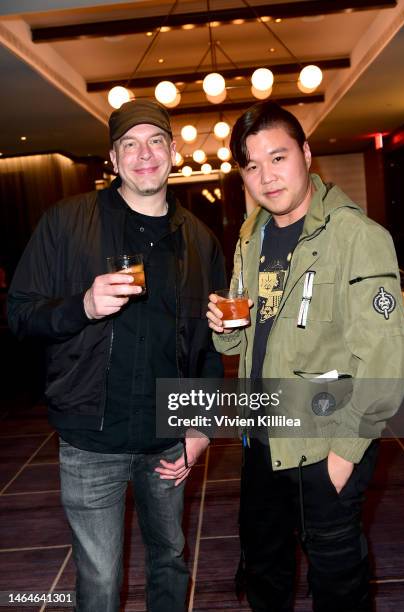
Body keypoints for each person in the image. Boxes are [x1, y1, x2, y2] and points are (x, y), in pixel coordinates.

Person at [8, 99, 226, 612]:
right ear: (113, 158)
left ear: (173, 151)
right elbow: (20, 312)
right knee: (101, 580)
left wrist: (200, 426)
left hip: (167, 438)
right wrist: (82, 305)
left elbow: (210, 345)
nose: (143, 154)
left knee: (170, 560)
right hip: (90, 440)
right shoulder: (65, 223)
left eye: (155, 141)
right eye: (130, 143)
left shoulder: (200, 241)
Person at [207, 100, 404, 611]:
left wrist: (341, 458)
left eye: (277, 158)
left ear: (306, 154)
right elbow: (237, 343)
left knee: (337, 585)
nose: (266, 177)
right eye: (251, 165)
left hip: (323, 446)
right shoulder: (251, 236)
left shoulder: (357, 238)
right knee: (265, 573)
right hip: (260, 440)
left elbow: (384, 365)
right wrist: (224, 326)